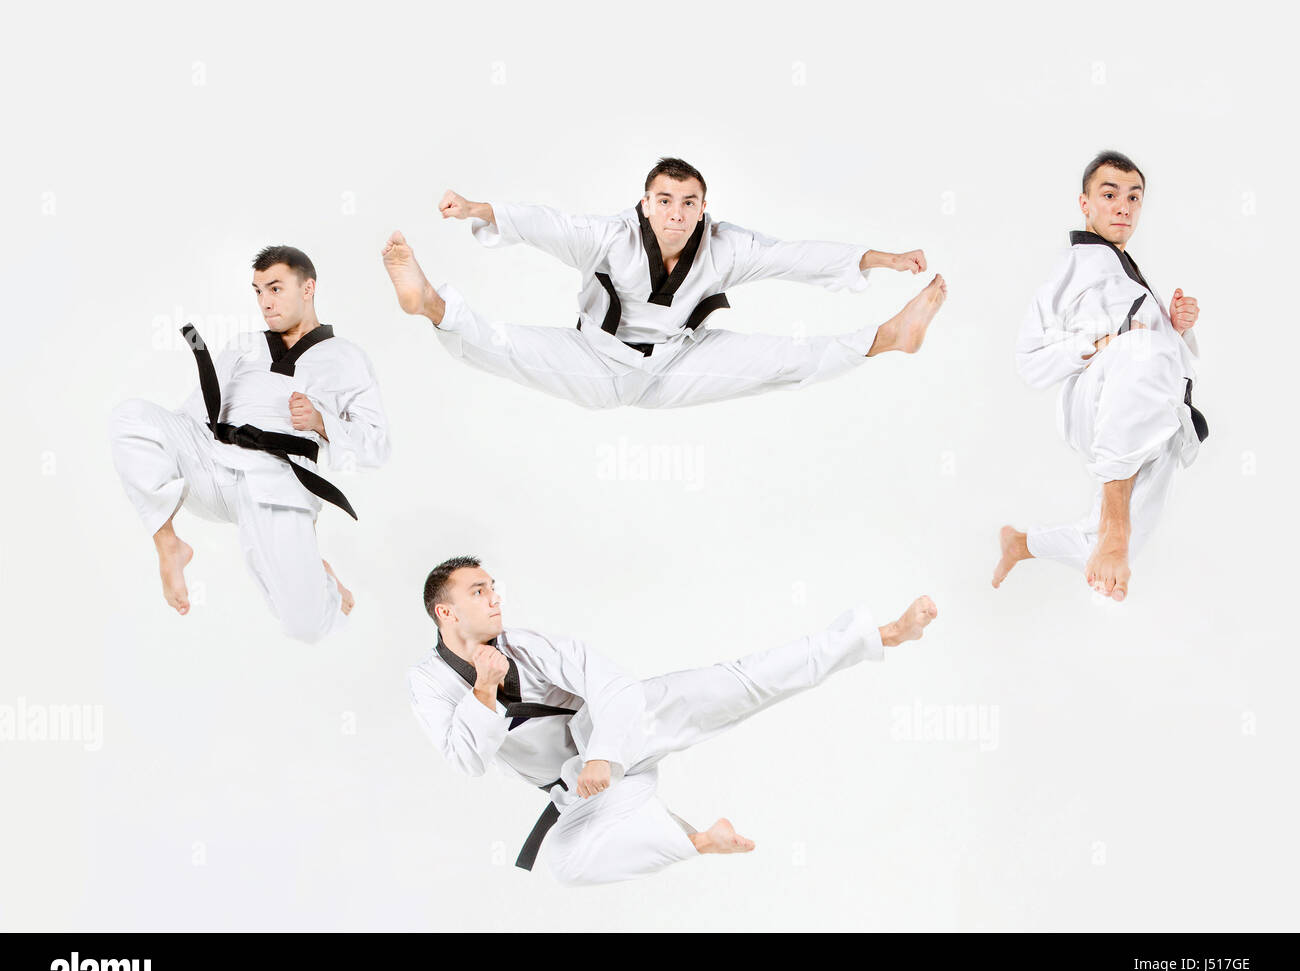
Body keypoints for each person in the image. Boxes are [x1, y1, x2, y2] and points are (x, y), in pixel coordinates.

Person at [408, 556, 938, 885]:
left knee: (742, 682)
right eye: (479, 591)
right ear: (445, 612)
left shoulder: (525, 645)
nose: (495, 596)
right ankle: (698, 841)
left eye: (494, 586)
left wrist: (602, 752)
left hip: (624, 731)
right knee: (567, 864)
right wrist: (482, 691)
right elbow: (465, 760)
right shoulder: (428, 684)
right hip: (585, 787)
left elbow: (611, 684)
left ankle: (883, 633)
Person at [383, 156, 946, 409]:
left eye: (689, 203)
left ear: (703, 209)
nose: (676, 213)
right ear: (646, 205)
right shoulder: (607, 237)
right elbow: (544, 224)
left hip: (677, 365)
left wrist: (886, 259)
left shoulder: (728, 246)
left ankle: (889, 337)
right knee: (504, 347)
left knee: (783, 359)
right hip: (593, 360)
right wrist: (478, 208)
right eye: (664, 201)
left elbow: (796, 257)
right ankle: (431, 303)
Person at [109, 246, 390, 642]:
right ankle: (169, 545)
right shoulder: (244, 345)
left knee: (305, 626)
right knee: (130, 416)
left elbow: (377, 445)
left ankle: (322, 580)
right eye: (258, 291)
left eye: (275, 289)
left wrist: (322, 423)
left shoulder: (347, 358)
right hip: (212, 464)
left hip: (277, 484)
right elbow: (190, 417)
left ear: (308, 287)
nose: (265, 303)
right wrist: (166, 447)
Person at [992, 151, 1208, 602]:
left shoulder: (1125, 271)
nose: (1123, 206)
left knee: (1130, 547)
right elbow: (1028, 360)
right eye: (1109, 194)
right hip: (1100, 405)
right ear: (1085, 204)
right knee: (1141, 348)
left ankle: (1021, 543)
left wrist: (1176, 324)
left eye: (1134, 197)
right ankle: (1115, 521)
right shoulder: (1071, 267)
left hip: (1159, 413)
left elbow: (1144, 340)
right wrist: (1095, 345)